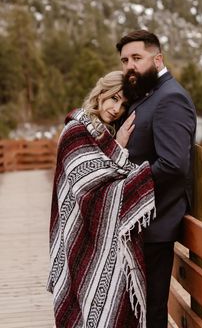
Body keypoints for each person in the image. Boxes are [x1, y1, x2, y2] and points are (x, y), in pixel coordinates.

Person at [47, 71, 156, 328]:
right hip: (79, 231)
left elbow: (106, 174)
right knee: (85, 300)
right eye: (113, 98)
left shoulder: (102, 133)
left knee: (106, 298)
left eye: (122, 104)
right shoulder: (76, 129)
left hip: (99, 234)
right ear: (101, 92)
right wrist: (122, 155)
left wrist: (115, 147)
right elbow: (86, 186)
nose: (116, 108)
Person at [116, 30, 197, 328]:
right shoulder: (150, 94)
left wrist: (126, 187)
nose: (129, 66)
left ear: (158, 58)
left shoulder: (170, 98)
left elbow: (174, 164)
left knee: (150, 312)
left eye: (137, 58)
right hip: (139, 223)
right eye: (125, 60)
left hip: (155, 222)